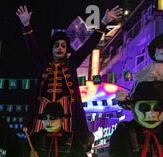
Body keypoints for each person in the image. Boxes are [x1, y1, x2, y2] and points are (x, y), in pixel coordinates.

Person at [16, 5, 123, 134]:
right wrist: (27, 25)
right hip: (43, 108)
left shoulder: (72, 62)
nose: (60, 48)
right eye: (56, 45)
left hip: (66, 109)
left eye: (63, 46)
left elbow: (88, 46)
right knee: (39, 137)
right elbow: (32, 48)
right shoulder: (43, 62)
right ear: (51, 49)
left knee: (66, 137)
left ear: (67, 50)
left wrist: (103, 23)